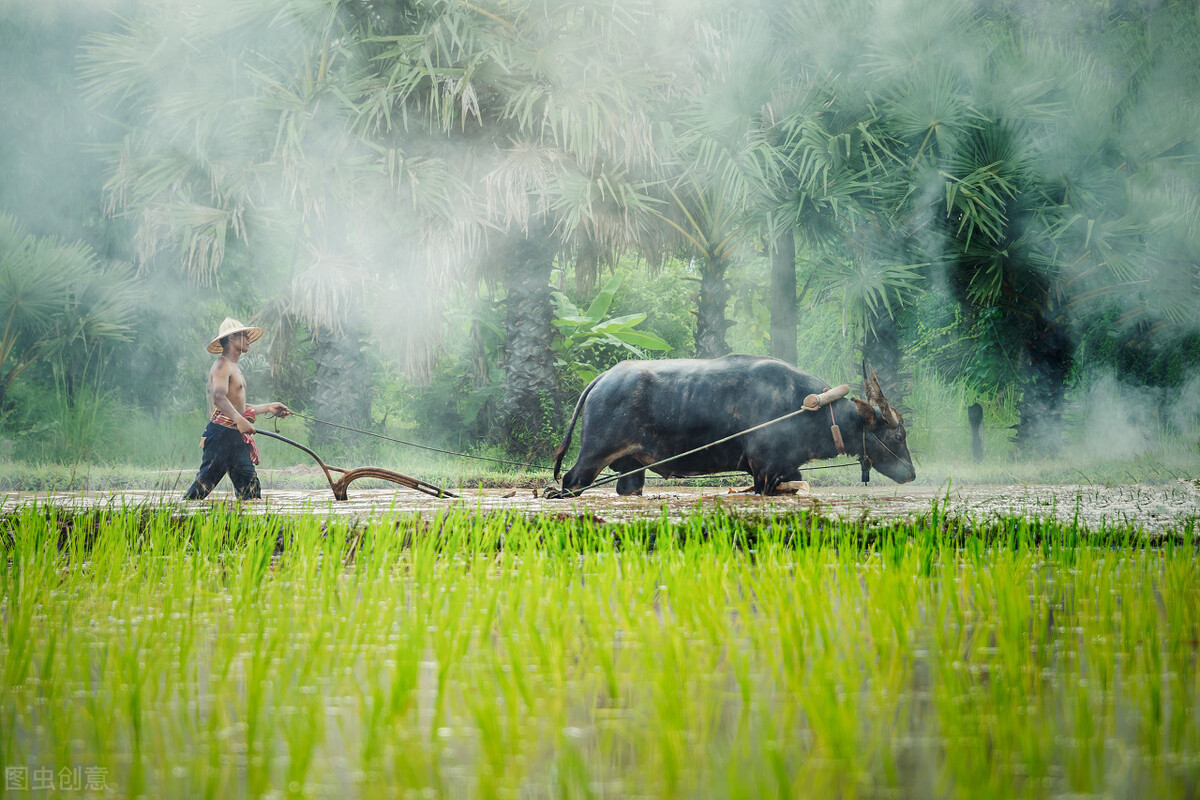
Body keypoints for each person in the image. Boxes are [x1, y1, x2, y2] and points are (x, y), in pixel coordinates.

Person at [183, 317, 290, 500]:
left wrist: (268, 407)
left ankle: (251, 526)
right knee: (202, 487)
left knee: (250, 489)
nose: (248, 339)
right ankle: (177, 517)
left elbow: (238, 407)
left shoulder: (235, 367)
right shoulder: (221, 365)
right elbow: (218, 398)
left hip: (236, 438)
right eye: (244, 335)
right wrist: (240, 421)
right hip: (221, 437)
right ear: (232, 338)